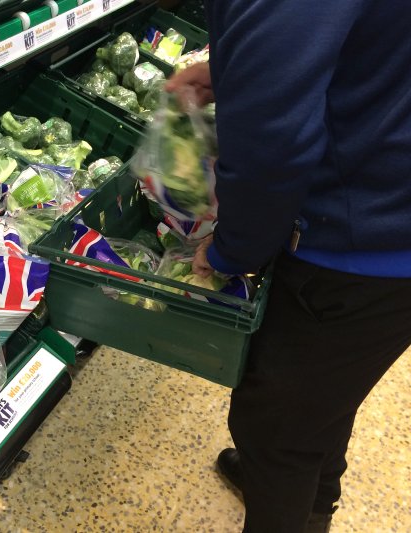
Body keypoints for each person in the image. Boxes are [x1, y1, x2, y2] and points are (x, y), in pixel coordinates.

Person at [164, 1, 411, 532]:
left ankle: (288, 500)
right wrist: (236, 70)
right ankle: (310, 507)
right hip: (389, 198)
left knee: (275, 431)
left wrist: (232, 250)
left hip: (362, 237)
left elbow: (273, 143)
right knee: (322, 397)